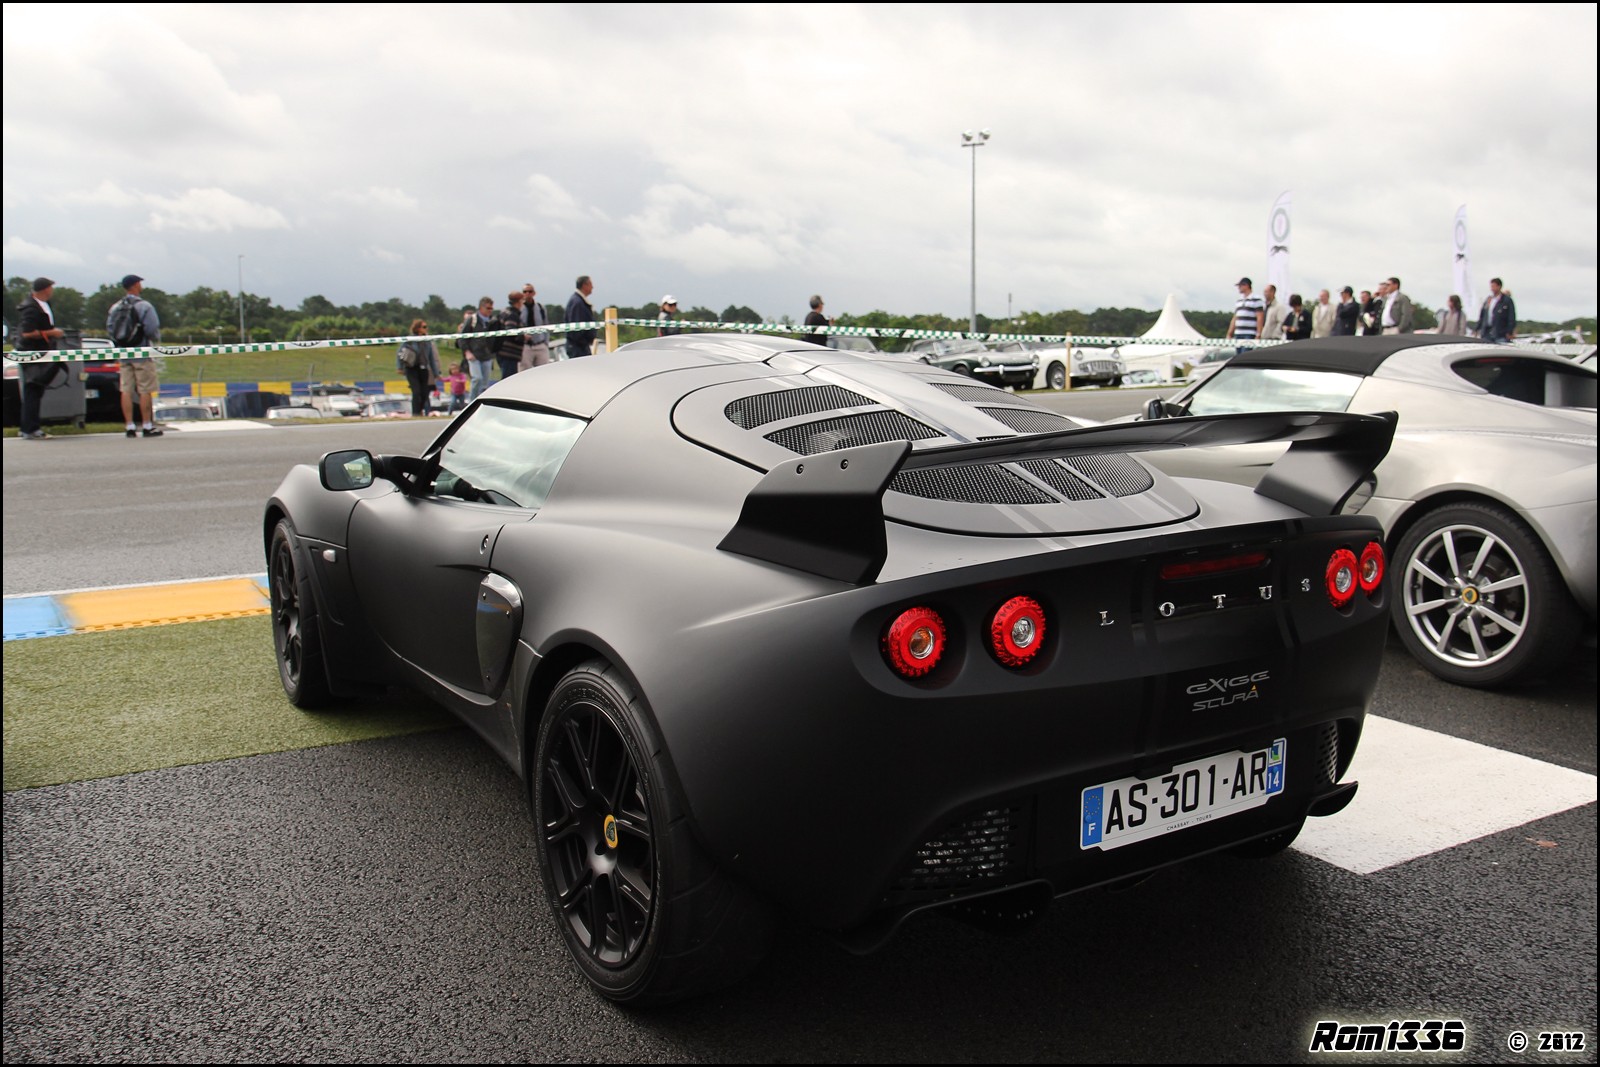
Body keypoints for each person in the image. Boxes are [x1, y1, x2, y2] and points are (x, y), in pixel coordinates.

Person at [110, 274, 164, 438]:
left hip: (124, 352)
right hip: (141, 351)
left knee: (126, 389)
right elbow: (152, 329)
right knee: (145, 389)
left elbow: (111, 329)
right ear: (135, 285)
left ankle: (129, 426)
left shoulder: (115, 307)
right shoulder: (144, 306)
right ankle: (147, 425)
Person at [14, 277, 66, 440]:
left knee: (36, 390)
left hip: (42, 352)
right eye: (51, 287)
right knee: (33, 389)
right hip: (33, 354)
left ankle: (30, 427)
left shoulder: (42, 305)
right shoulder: (31, 308)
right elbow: (27, 333)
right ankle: (30, 428)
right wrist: (52, 333)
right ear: (45, 289)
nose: (52, 290)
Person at [396, 318, 441, 417]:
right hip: (411, 369)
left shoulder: (427, 341)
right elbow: (400, 353)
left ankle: (420, 410)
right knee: (416, 392)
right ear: (418, 328)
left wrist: (436, 373)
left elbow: (431, 358)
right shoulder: (410, 340)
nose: (426, 329)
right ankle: (415, 413)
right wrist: (399, 367)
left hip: (424, 369)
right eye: (424, 327)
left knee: (424, 393)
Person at [459, 297, 498, 401]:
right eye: (487, 308)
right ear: (481, 308)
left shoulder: (493, 320)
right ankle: (472, 402)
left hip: (487, 355)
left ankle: (482, 403)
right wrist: (467, 351)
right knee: (477, 378)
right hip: (474, 355)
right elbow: (462, 337)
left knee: (484, 384)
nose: (490, 310)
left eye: (491, 308)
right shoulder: (472, 319)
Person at [519, 282, 551, 368]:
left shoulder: (541, 308)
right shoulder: (519, 309)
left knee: (543, 371)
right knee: (525, 373)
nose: (527, 294)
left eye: (530, 291)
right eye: (525, 292)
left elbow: (546, 325)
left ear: (534, 293)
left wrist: (546, 343)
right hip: (525, 347)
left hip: (540, 344)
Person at [564, 275, 597, 358]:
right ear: (584, 285)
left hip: (580, 346)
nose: (592, 287)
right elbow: (576, 328)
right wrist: (584, 341)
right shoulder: (577, 303)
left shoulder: (578, 301)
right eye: (590, 284)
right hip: (578, 348)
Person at [496, 290, 527, 379]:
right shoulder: (512, 315)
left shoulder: (504, 312)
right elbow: (511, 332)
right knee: (508, 378)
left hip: (504, 352)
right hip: (509, 353)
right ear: (519, 301)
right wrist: (523, 336)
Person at [1225, 277, 1265, 343]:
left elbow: (1260, 317)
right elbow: (1235, 317)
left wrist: (1258, 334)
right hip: (1238, 333)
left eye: (1240, 286)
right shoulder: (1239, 301)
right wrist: (1230, 333)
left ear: (1246, 286)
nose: (1239, 288)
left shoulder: (1256, 300)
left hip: (1249, 333)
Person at [1476, 277, 1517, 342]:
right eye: (1491, 286)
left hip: (1500, 333)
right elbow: (1482, 315)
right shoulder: (1488, 300)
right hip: (1487, 333)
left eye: (1493, 286)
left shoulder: (1506, 301)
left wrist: (1509, 331)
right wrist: (1477, 328)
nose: (1492, 289)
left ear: (1499, 286)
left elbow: (1511, 317)